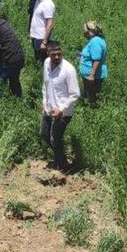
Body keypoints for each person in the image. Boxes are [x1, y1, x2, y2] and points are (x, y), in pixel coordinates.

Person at [40, 42, 80, 171]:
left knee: (55, 138)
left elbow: (75, 94)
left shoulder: (68, 69)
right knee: (44, 134)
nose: (57, 57)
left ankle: (62, 165)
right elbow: (45, 84)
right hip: (49, 107)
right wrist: (44, 101)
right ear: (48, 53)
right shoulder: (46, 63)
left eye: (59, 54)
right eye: (53, 55)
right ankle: (60, 159)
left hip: (63, 112)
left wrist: (61, 109)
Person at [78, 21, 108, 108]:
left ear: (90, 31)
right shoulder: (95, 40)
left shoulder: (95, 42)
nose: (83, 32)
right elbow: (92, 55)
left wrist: (91, 75)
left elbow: (97, 60)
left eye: (84, 30)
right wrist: (82, 55)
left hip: (92, 76)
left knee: (92, 97)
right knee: (89, 94)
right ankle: (89, 109)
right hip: (89, 74)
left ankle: (92, 111)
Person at [29, 0, 55, 65]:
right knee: (38, 60)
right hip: (36, 36)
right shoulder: (38, 0)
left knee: (44, 62)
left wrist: (44, 42)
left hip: (42, 38)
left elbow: (50, 24)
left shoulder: (47, 3)